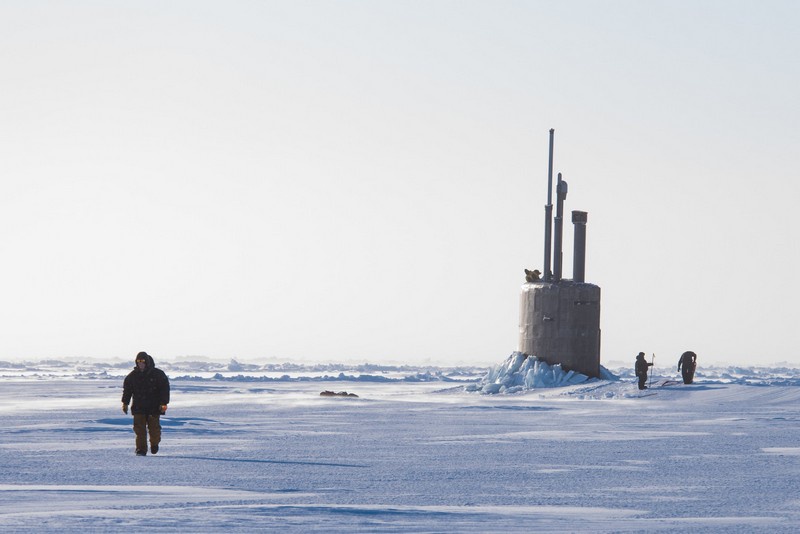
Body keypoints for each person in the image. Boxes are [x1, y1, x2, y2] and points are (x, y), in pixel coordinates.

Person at [122, 351, 170, 456]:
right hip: (139, 407)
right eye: (138, 361)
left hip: (154, 407)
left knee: (154, 430)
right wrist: (125, 403)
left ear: (147, 362)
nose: (140, 363)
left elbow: (164, 389)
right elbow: (127, 390)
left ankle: (154, 444)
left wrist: (163, 403)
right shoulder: (132, 376)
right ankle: (141, 449)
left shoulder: (158, 374)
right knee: (139, 430)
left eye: (142, 361)